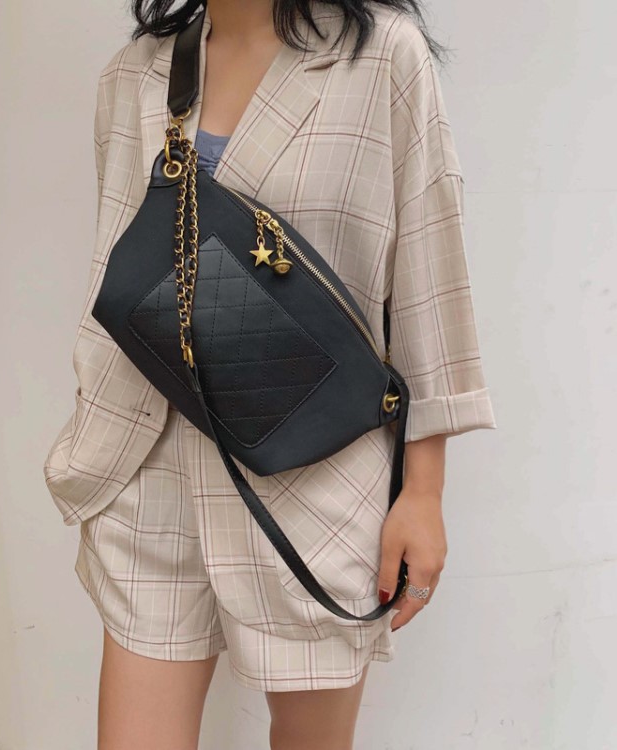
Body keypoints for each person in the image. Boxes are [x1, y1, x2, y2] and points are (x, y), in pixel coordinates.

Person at [43, 1, 497, 747]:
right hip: (150, 469)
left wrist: (424, 490)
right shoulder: (134, 76)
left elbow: (428, 274)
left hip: (315, 476)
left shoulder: (382, 56)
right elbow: (122, 267)